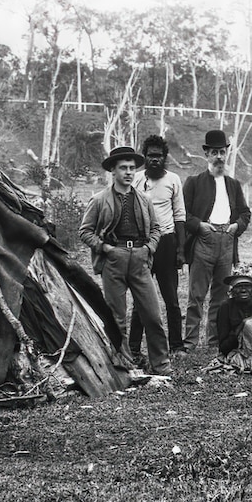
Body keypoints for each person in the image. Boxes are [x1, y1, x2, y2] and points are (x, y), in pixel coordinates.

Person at [78, 146, 172, 375]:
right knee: (117, 318)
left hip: (140, 259)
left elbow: (157, 228)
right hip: (114, 260)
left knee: (152, 315)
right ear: (113, 170)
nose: (129, 172)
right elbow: (85, 231)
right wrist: (105, 248)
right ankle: (123, 364)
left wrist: (149, 248)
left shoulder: (144, 199)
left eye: (132, 168)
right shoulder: (99, 200)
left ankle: (161, 365)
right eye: (123, 168)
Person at [182, 129, 252, 352]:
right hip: (204, 241)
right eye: (214, 152)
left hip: (227, 241)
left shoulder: (233, 184)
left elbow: (245, 213)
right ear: (206, 155)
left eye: (222, 152)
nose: (219, 157)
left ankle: (214, 342)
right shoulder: (194, 182)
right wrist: (199, 226)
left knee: (221, 298)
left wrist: (236, 227)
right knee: (197, 295)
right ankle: (191, 342)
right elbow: (183, 213)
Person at [129, 135, 186, 359]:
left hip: (166, 242)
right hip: (143, 244)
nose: (154, 160)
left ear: (165, 158)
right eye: (150, 156)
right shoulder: (136, 179)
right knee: (140, 299)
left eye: (159, 156)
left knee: (171, 298)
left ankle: (177, 346)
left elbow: (180, 215)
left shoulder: (173, 179)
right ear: (145, 157)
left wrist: (181, 250)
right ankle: (133, 347)